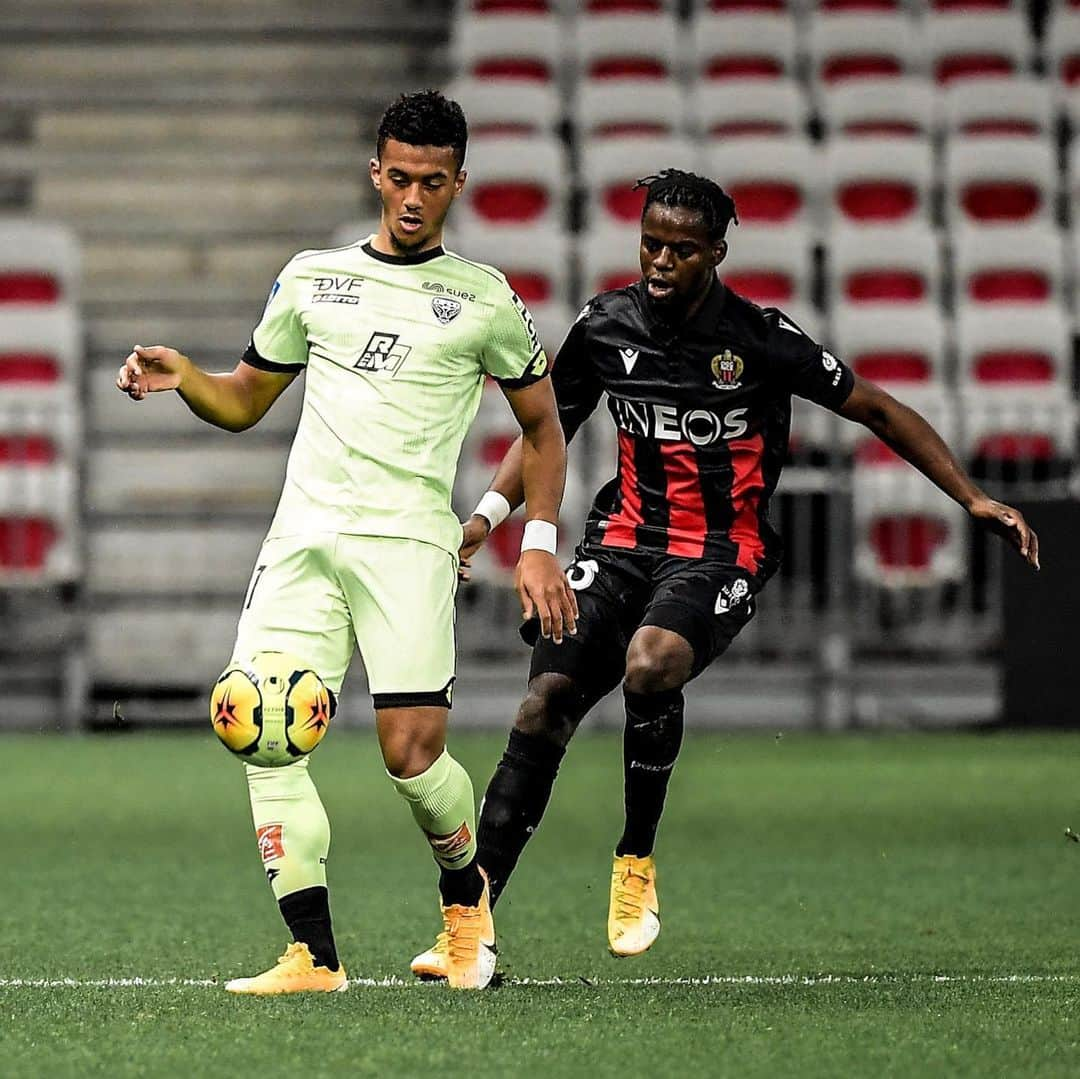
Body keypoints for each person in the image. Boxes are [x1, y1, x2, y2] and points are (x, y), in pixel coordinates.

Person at [411, 168, 1040, 977]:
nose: (660, 262)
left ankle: (635, 859)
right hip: (622, 539)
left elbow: (878, 408)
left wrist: (973, 497)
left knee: (651, 662)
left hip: (720, 549)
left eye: (681, 249)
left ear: (716, 251)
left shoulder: (758, 339)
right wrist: (485, 521)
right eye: (650, 243)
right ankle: (470, 923)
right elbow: (546, 432)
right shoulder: (605, 325)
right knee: (543, 704)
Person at [115, 90, 577, 992]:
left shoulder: (485, 300)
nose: (412, 198)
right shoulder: (312, 279)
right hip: (304, 537)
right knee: (259, 725)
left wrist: (537, 539)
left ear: (458, 185)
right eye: (398, 178)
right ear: (376, 173)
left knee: (411, 753)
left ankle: (465, 901)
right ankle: (312, 954)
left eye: (432, 183)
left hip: (407, 543)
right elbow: (247, 400)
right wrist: (187, 378)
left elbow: (545, 432)